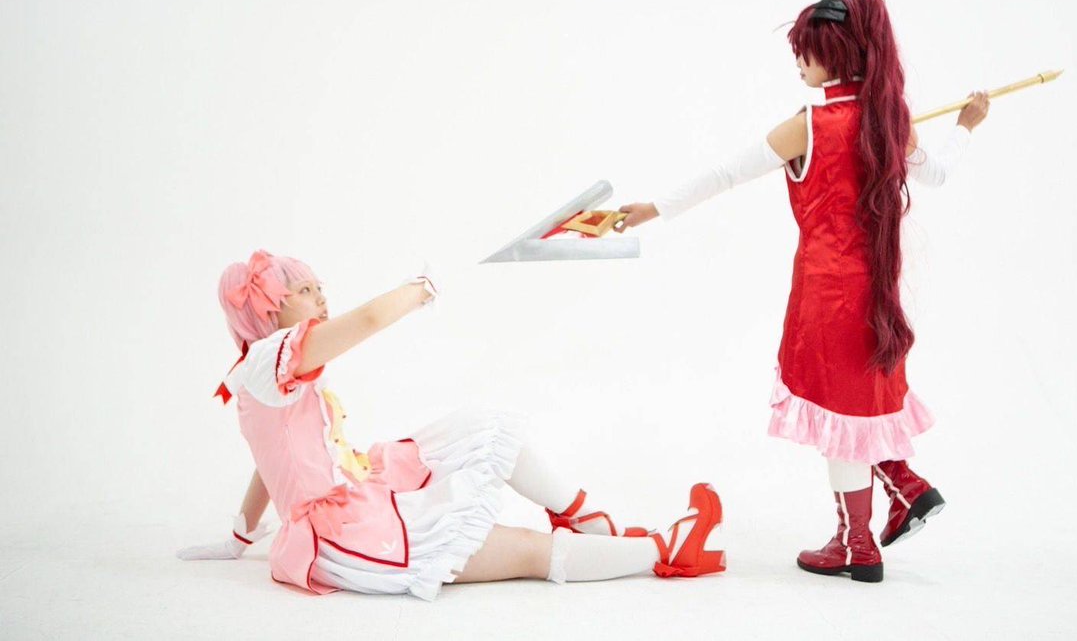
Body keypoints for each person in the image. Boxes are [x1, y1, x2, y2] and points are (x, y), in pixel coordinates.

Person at [617, 0, 989, 582]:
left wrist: (655, 209)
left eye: (806, 52)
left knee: (844, 420)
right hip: (878, 290)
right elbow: (939, 175)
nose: (799, 62)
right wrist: (967, 125)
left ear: (834, 54)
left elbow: (725, 174)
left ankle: (859, 544)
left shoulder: (809, 126)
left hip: (827, 293)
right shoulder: (890, 124)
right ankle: (894, 498)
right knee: (859, 411)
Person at [176, 250, 725, 599]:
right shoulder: (272, 356)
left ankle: (589, 522)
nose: (320, 297)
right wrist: (421, 288)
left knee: (481, 427)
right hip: (343, 535)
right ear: (268, 311)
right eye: (303, 291)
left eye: (319, 286)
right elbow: (369, 318)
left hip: (355, 499)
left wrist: (240, 535)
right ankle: (665, 549)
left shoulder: (261, 371)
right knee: (518, 551)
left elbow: (269, 463)